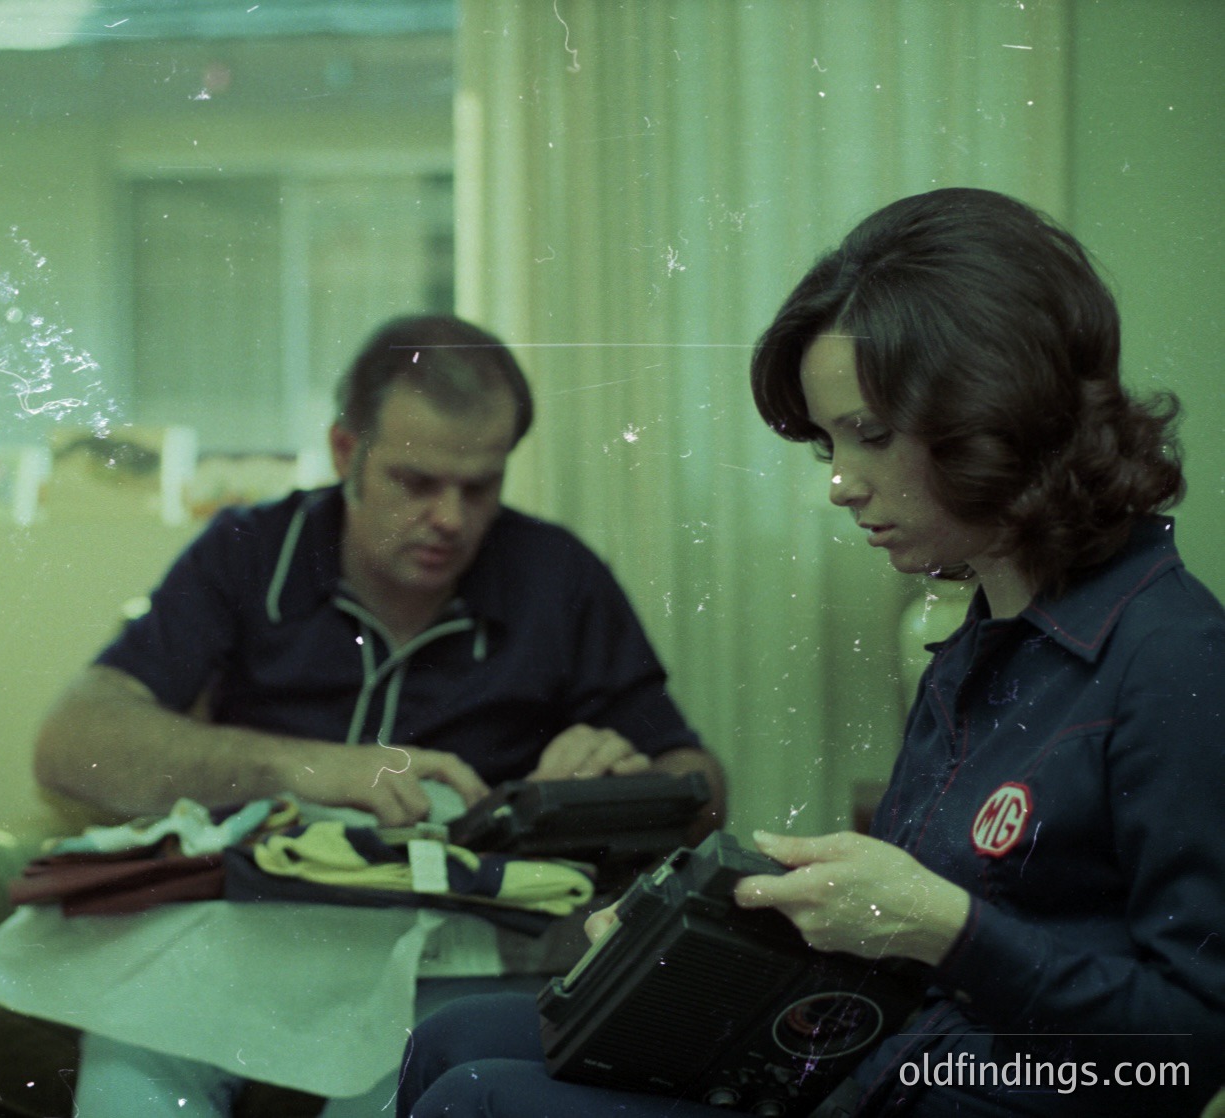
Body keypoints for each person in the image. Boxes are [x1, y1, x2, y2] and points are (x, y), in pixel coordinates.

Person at [394, 188, 1225, 1118]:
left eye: (870, 436)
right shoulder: (975, 651)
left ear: (999, 412)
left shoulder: (1172, 661)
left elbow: (1186, 1049)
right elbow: (902, 936)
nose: (839, 483)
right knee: (451, 1039)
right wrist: (694, 931)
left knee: (478, 1101)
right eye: (829, 442)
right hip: (880, 1069)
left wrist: (949, 931)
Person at [34, 311, 725, 1115]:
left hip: (448, 961)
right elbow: (70, 741)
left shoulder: (557, 578)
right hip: (249, 937)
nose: (451, 520)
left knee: (419, 1073)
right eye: (416, 482)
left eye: (480, 487)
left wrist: (625, 779)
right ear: (343, 452)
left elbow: (702, 786)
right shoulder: (250, 552)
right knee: (134, 1062)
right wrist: (310, 765)